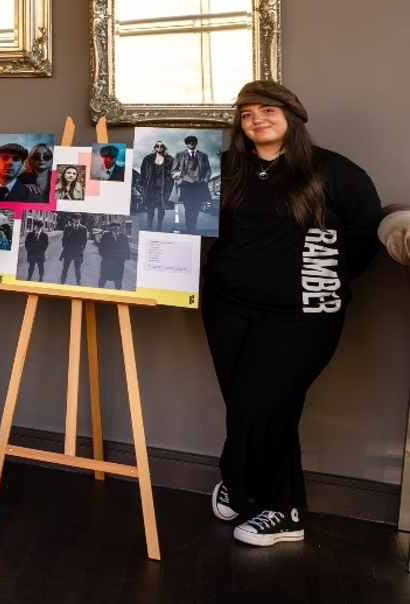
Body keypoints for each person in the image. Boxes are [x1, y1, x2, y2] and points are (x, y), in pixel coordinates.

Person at [202, 81, 382, 547]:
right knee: (248, 403)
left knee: (261, 402)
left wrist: (329, 279)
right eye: (246, 114)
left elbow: (365, 231)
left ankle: (282, 509)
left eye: (267, 110)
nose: (256, 119)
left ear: (291, 116)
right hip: (227, 306)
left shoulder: (331, 170)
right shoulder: (226, 169)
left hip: (302, 315)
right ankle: (245, 487)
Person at [173, 135, 212, 234]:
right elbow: (174, 170)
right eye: (189, 141)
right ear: (186, 143)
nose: (191, 143)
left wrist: (206, 180)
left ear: (196, 143)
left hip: (199, 185)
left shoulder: (203, 155)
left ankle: (192, 226)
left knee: (196, 208)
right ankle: (190, 229)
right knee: (189, 207)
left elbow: (208, 170)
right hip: (186, 184)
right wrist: (178, 179)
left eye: (193, 141)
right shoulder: (180, 154)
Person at [139, 141, 174, 231]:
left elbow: (173, 173)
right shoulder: (148, 159)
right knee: (150, 208)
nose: (159, 147)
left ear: (164, 147)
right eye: (157, 146)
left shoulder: (170, 160)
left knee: (161, 208)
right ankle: (149, 225)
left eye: (161, 146)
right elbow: (143, 173)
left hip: (164, 187)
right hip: (150, 187)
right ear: (154, 148)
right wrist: (142, 185)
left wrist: (170, 184)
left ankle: (159, 226)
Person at [96, 222, 130, 289]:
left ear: (119, 227)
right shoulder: (106, 236)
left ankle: (118, 295)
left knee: (118, 280)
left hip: (118, 264)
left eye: (117, 226)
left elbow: (127, 249)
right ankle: (99, 293)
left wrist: (122, 260)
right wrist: (105, 257)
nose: (116, 228)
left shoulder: (124, 237)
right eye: (113, 226)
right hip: (107, 262)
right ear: (111, 228)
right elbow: (101, 248)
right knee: (103, 278)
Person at [59, 213, 88, 285]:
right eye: (75, 218)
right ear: (73, 219)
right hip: (68, 251)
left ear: (80, 219)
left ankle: (78, 283)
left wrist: (81, 249)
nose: (76, 220)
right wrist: (65, 247)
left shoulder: (84, 228)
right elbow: (64, 239)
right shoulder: (68, 227)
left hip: (78, 252)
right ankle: (62, 283)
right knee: (65, 269)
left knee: (77, 269)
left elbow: (85, 240)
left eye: (78, 218)